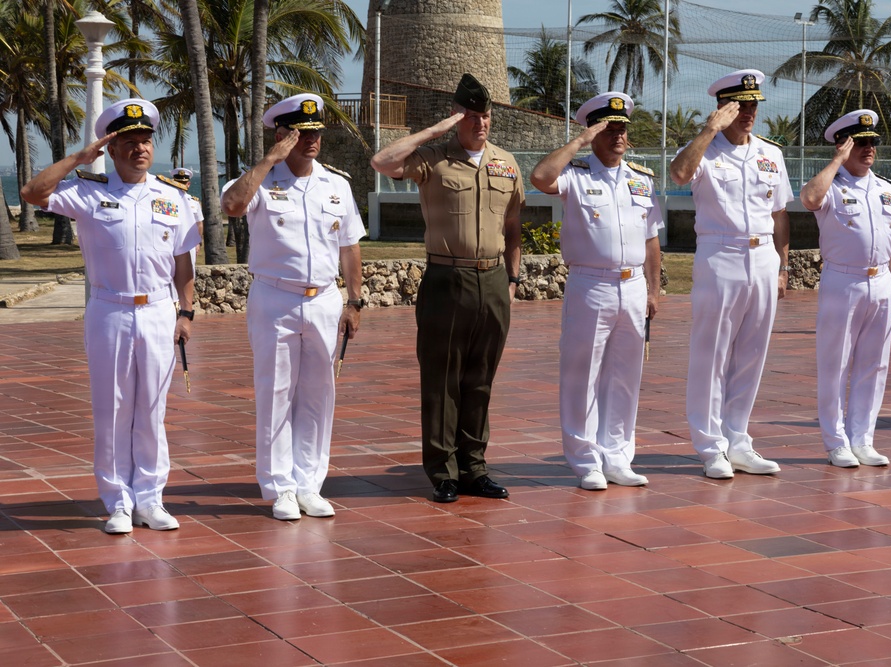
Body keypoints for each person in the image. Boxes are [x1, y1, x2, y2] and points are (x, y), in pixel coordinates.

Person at [20, 99, 200, 534]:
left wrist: (187, 312)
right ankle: (118, 501)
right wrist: (78, 158)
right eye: (130, 142)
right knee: (113, 409)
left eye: (145, 140)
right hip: (109, 310)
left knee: (152, 409)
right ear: (112, 149)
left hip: (159, 310)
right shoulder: (87, 190)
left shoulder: (172, 197)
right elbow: (32, 193)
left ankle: (151, 499)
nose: (141, 148)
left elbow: (184, 263)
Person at [370, 73, 525, 503]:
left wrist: (512, 279)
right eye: (472, 116)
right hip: (446, 278)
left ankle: (474, 467)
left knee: (481, 378)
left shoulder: (506, 163)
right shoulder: (434, 158)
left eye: (486, 116)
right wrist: (438, 128)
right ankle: (443, 471)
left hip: (493, 280)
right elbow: (383, 162)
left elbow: (514, 227)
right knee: (443, 379)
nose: (481, 123)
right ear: (458, 117)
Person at [220, 93, 364, 520]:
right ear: (282, 134)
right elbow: (231, 206)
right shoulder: (261, 181)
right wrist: (270, 160)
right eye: (301, 133)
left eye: (316, 132)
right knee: (276, 393)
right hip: (274, 298)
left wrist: (354, 300)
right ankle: (280, 486)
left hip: (323, 298)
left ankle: (309, 483)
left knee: (319, 394)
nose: (312, 140)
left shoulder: (336, 185)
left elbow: (350, 246)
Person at [530, 92, 663, 490]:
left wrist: (653, 292)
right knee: (580, 373)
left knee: (625, 375)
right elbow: (539, 177)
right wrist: (579, 142)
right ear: (594, 131)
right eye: (609, 129)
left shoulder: (642, 180)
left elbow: (652, 241)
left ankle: (618, 456)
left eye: (622, 129)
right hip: (590, 285)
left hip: (633, 285)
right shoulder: (577, 174)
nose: (618, 136)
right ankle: (585, 460)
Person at [669, 69, 792, 479]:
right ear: (723, 107)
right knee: (712, 354)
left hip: (763, 258)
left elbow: (779, 213)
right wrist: (709, 130)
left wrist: (783, 264)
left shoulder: (770, 153)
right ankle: (709, 446)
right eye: (739, 106)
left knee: (752, 354)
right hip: (720, 256)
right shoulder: (705, 149)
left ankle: (738, 438)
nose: (748, 113)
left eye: (753, 105)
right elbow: (680, 174)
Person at [799, 109, 891, 468]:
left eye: (872, 142)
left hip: (880, 283)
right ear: (844, 146)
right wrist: (836, 162)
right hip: (842, 281)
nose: (868, 149)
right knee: (835, 364)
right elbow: (810, 200)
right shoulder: (832, 185)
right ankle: (836, 442)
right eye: (859, 143)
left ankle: (863, 438)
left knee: (874, 365)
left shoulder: (886, 190)